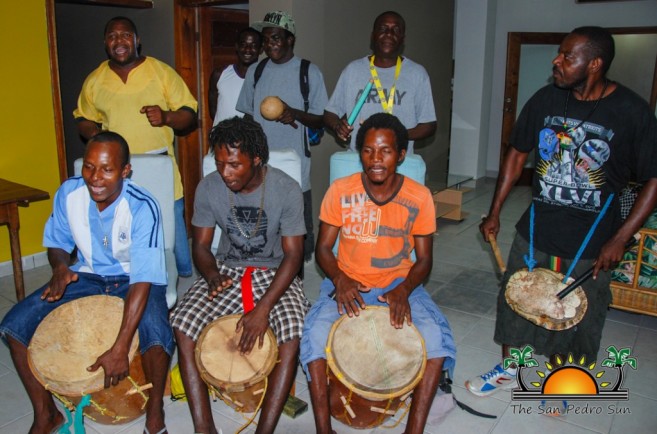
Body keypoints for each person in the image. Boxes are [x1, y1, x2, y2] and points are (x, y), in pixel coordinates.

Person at [466, 26, 657, 397]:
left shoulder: (632, 112)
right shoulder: (546, 99)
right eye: (560, 53)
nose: (557, 61)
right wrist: (495, 210)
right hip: (536, 229)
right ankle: (511, 367)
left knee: (580, 315)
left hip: (593, 240)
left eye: (568, 56)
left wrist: (620, 238)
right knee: (515, 299)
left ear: (595, 64)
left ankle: (565, 382)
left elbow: (654, 179)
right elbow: (518, 153)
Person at [0, 132, 174, 434]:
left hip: (134, 279)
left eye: (107, 169)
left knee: (157, 337)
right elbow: (56, 243)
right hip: (87, 275)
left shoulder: (143, 206)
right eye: (89, 167)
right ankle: (46, 414)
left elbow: (144, 279)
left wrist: (120, 348)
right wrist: (60, 267)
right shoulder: (69, 193)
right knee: (13, 326)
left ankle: (154, 411)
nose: (95, 177)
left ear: (125, 171)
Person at [300, 113, 456, 434]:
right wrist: (340, 279)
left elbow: (424, 260)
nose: (376, 159)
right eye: (368, 150)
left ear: (400, 155)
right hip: (348, 279)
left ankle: (414, 429)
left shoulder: (419, 196)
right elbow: (323, 250)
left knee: (436, 341)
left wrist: (404, 289)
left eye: (385, 151)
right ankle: (322, 429)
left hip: (398, 282)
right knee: (314, 337)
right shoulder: (340, 190)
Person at [170, 116, 311, 434]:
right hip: (227, 270)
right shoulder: (209, 187)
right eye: (220, 164)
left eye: (233, 164)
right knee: (182, 324)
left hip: (276, 274)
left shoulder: (286, 189)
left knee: (292, 333)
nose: (225, 172)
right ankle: (204, 428)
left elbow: (293, 255)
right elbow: (202, 246)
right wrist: (211, 274)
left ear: (257, 158)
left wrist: (263, 310)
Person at [74, 16, 198, 278]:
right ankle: (130, 274)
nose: (119, 41)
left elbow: (189, 114)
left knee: (170, 224)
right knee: (122, 225)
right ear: (105, 43)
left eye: (126, 35)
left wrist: (166, 117)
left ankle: (183, 275)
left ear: (137, 40)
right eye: (112, 36)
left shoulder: (161, 72)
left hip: (158, 165)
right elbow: (82, 118)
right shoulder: (95, 80)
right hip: (114, 171)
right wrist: (95, 133)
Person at [236, 10, 328, 262]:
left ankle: (295, 280)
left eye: (276, 38)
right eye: (266, 39)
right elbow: (247, 115)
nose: (269, 44)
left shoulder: (309, 72)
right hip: (259, 163)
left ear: (290, 40)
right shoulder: (256, 70)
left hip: (295, 164)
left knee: (296, 232)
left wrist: (293, 113)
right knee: (261, 227)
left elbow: (321, 118)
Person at [323, 11, 436, 153]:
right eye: (383, 29)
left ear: (402, 38)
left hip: (400, 164)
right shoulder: (353, 70)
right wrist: (337, 126)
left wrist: (397, 135)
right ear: (373, 36)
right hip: (359, 162)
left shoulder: (417, 74)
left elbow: (429, 124)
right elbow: (329, 114)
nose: (389, 33)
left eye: (396, 30)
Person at [209, 27, 262, 126]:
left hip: (251, 139)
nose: (247, 50)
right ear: (237, 47)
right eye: (243, 45)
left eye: (253, 46)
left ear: (261, 49)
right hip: (221, 139)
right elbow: (213, 110)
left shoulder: (265, 78)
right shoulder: (219, 74)